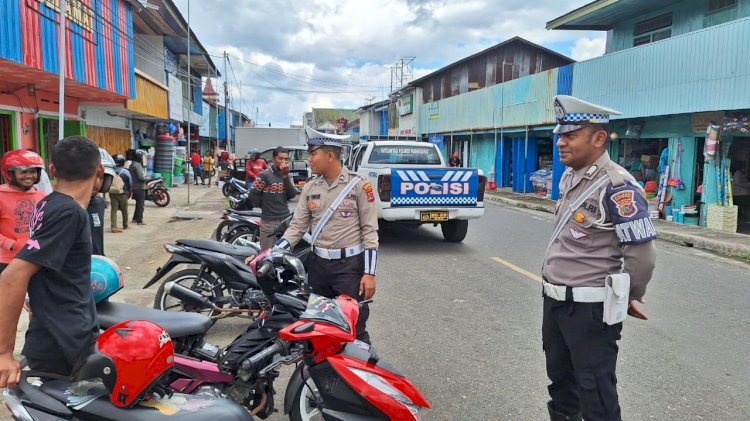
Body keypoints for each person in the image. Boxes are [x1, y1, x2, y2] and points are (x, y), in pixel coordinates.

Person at [542, 95, 657, 421]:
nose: (560, 142)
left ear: (598, 138)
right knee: (561, 384)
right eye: (559, 135)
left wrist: (627, 295)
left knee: (595, 391)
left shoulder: (618, 187)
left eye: (570, 136)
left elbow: (641, 255)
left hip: (589, 310)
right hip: (555, 303)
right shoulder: (570, 177)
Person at [0, 136, 102, 384]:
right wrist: (4, 353)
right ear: (99, 170)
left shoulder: (48, 203)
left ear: (53, 170)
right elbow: (12, 276)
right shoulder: (69, 213)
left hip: (58, 330)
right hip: (64, 341)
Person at [275, 127, 378, 344]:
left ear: (330, 156)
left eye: (313, 154)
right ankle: (325, 375)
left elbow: (370, 230)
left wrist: (369, 273)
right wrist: (273, 252)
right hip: (319, 267)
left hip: (349, 268)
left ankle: (360, 373)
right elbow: (297, 228)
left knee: (354, 327)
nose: (308, 159)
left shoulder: (359, 184)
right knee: (319, 324)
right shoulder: (310, 186)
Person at [0, 150, 47, 273]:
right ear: (9, 173)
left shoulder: (42, 196)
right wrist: (8, 243)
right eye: (23, 171)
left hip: (36, 256)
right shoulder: (1, 196)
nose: (29, 176)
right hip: (8, 260)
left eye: (33, 171)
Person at [250, 147, 297, 249]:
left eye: (286, 159)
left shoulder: (287, 174)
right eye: (280, 158)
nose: (283, 161)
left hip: (285, 220)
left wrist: (285, 177)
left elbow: (292, 194)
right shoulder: (265, 175)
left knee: (286, 254)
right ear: (273, 160)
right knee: (267, 254)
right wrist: (264, 206)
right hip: (269, 222)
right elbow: (253, 194)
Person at [87, 149, 117, 255]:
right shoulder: (65, 207)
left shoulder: (99, 203)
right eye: (92, 177)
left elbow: (97, 239)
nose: (96, 182)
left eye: (101, 177)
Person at [109, 155, 131, 233]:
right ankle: (125, 225)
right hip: (123, 193)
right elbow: (130, 183)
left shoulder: (111, 171)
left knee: (113, 210)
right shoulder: (125, 172)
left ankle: (113, 227)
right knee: (124, 210)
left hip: (112, 192)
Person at [129, 150, 147, 225]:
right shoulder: (137, 165)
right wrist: (147, 178)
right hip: (139, 187)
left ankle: (135, 218)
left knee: (138, 204)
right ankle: (139, 220)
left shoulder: (132, 164)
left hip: (134, 186)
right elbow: (141, 177)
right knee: (141, 204)